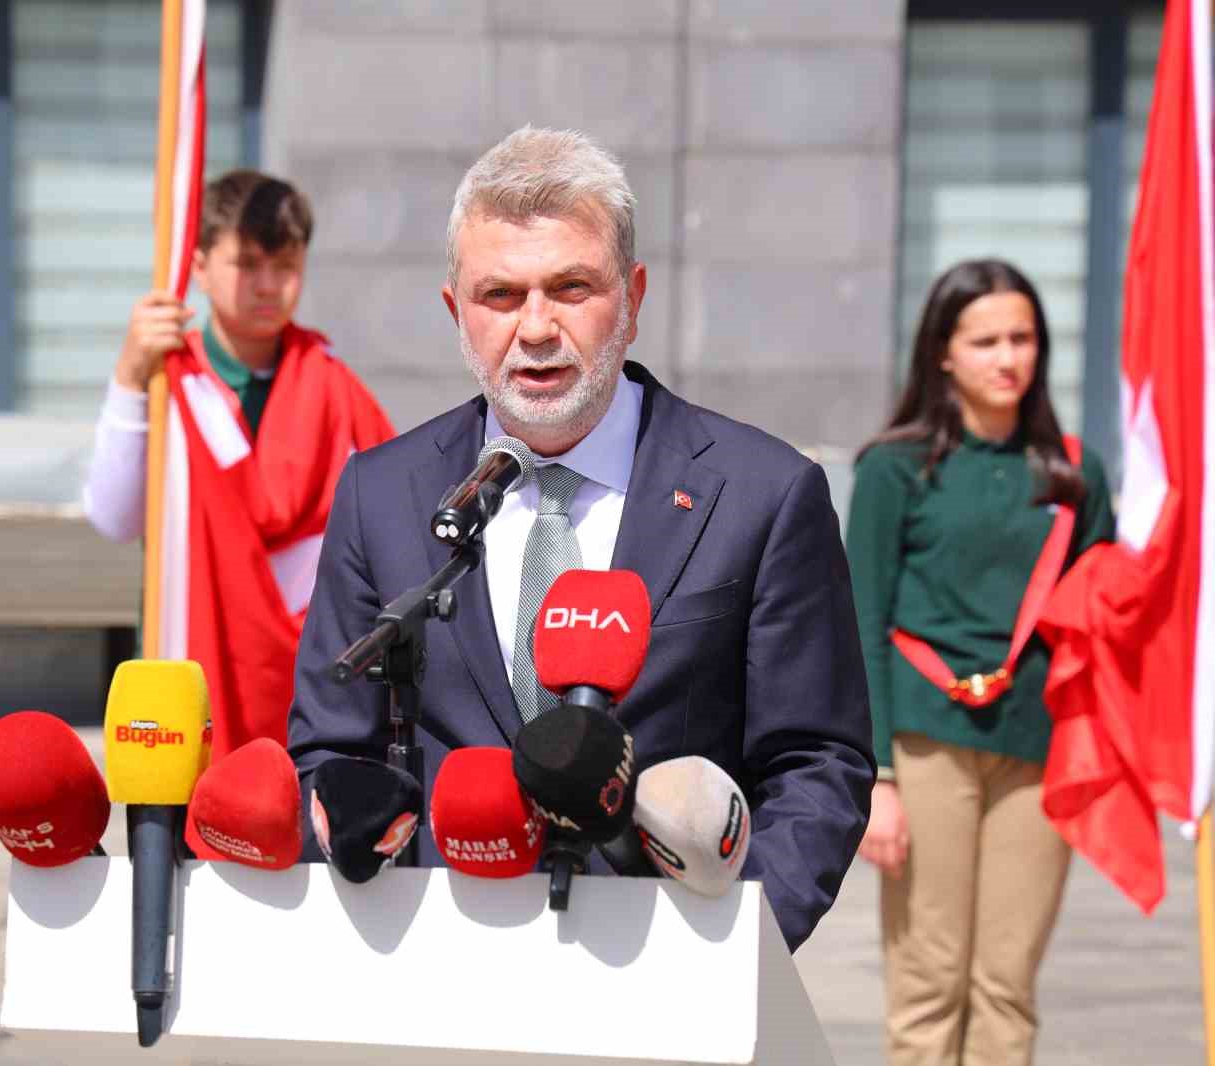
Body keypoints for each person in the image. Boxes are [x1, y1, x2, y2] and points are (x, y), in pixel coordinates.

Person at [287, 126, 874, 952]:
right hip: (440, 967)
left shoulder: (763, 494)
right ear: (456, 311)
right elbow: (329, 746)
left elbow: (816, 763)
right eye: (500, 295)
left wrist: (739, 949)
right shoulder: (381, 494)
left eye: (571, 288)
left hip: (672, 967)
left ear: (631, 300)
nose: (535, 328)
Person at [848, 259, 1115, 1065]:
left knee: (1006, 986)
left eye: (1023, 338)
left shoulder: (1072, 473)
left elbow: (1102, 619)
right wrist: (878, 780)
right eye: (987, 339)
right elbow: (861, 620)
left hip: (1041, 754)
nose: (1009, 357)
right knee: (930, 982)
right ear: (943, 352)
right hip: (927, 745)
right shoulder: (893, 469)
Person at [85, 169, 394, 766]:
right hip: (191, 671)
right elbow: (113, 517)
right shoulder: (167, 380)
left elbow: (389, 527)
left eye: (286, 266)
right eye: (247, 264)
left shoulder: (335, 388)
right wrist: (128, 376)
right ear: (198, 265)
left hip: (313, 681)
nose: (268, 285)